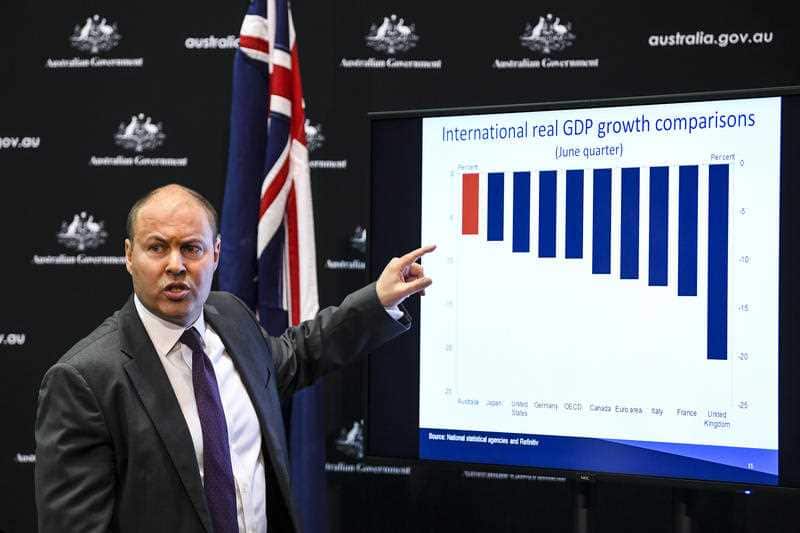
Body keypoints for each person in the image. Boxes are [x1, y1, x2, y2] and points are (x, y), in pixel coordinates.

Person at [34, 184, 434, 533]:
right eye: (157, 247)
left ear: (216, 253)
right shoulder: (82, 380)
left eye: (191, 248)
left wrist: (378, 301)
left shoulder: (231, 317)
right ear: (128, 256)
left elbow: (298, 354)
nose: (176, 265)